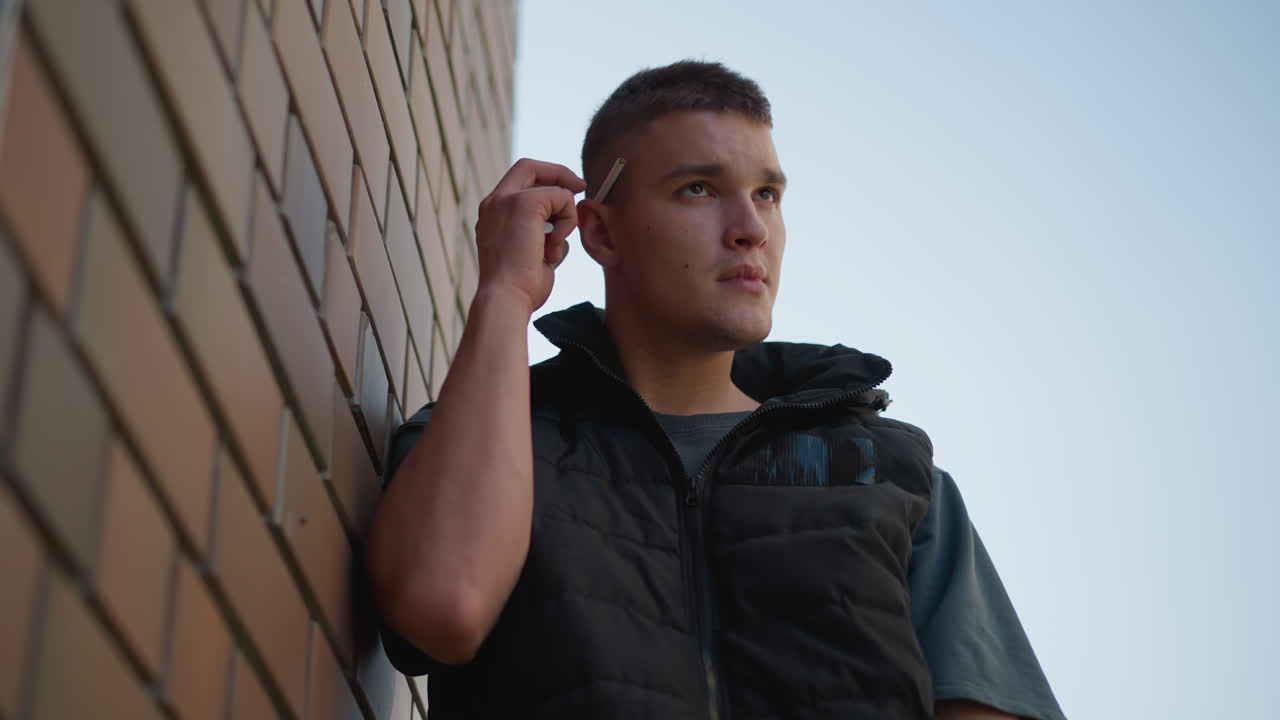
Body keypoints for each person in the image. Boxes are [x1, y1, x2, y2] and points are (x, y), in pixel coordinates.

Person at [365, 60, 1066, 720]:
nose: (751, 230)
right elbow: (442, 608)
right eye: (698, 189)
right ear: (601, 233)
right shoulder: (486, 441)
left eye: (767, 194)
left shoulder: (891, 472)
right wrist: (503, 294)